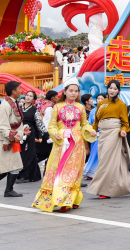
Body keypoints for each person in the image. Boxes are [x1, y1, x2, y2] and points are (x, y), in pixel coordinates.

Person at [32, 80, 97, 212]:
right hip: (61, 143)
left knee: (73, 171)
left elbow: (84, 124)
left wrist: (90, 130)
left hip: (76, 143)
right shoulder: (57, 107)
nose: (73, 93)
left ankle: (71, 198)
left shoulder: (80, 108)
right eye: (71, 90)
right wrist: (55, 134)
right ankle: (61, 198)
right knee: (58, 169)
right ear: (65, 92)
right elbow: (52, 125)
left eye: (76, 91)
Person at [87, 79, 130, 199]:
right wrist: (92, 130)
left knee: (105, 161)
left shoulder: (121, 104)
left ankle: (103, 190)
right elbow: (96, 121)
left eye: (115, 89)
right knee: (106, 160)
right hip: (102, 134)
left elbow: (125, 123)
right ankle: (125, 185)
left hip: (114, 134)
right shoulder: (101, 104)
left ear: (118, 91)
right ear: (107, 89)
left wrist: (123, 130)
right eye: (110, 88)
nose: (112, 90)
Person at [0, 81, 31, 198]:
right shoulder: (6, 105)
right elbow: (2, 126)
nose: (21, 91)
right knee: (8, 166)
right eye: (19, 89)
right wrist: (14, 135)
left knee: (14, 165)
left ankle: (7, 190)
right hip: (5, 141)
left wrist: (22, 130)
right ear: (13, 91)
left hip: (10, 139)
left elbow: (13, 123)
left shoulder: (12, 103)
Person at [17, 90, 45, 183]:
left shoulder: (34, 110)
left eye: (31, 96)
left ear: (33, 99)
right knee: (22, 153)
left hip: (30, 133)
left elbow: (39, 123)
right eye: (27, 95)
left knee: (28, 153)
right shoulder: (19, 108)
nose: (28, 97)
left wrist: (45, 134)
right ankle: (34, 175)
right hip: (19, 132)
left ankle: (24, 175)